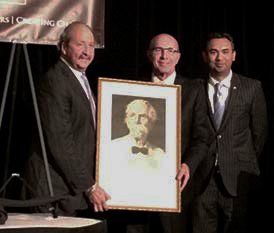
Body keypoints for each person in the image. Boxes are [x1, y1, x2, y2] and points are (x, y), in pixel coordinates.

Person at [23, 21, 110, 217]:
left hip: (71, 191)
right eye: (80, 44)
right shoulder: (55, 80)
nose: (87, 51)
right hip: (54, 191)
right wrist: (89, 186)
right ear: (63, 47)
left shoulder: (80, 77)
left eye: (91, 45)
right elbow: (60, 141)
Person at [191, 32, 268, 233]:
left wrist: (238, 159)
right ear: (204, 56)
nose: (219, 57)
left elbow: (259, 134)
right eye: (213, 52)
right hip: (202, 180)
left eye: (225, 52)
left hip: (238, 180)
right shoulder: (193, 88)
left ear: (234, 55)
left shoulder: (251, 87)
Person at [146, 33, 209, 233]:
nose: (164, 56)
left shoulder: (194, 89)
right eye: (158, 50)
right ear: (149, 55)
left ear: (178, 57)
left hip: (176, 186)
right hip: (139, 186)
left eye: (170, 51)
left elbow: (202, 137)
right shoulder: (131, 86)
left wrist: (187, 165)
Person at [102, 99, 170, 207]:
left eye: (142, 116)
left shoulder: (160, 154)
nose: (137, 120)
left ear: (151, 122)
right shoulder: (110, 148)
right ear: (127, 120)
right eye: (133, 115)